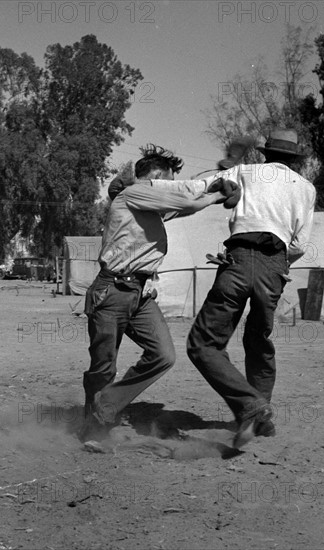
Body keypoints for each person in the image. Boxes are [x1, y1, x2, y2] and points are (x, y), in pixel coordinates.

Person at [80, 144, 239, 441]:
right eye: (167, 180)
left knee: (163, 355)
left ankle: (106, 406)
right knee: (103, 368)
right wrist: (216, 192)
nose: (169, 186)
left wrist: (215, 187)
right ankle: (92, 426)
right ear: (155, 176)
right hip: (112, 290)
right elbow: (187, 200)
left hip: (139, 294)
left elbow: (181, 207)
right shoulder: (135, 193)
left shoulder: (147, 205)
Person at [186, 128, 317, 449]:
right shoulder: (306, 188)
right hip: (276, 264)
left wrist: (226, 163)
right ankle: (261, 418)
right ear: (295, 159)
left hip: (239, 257)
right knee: (258, 339)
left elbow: (200, 185)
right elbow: (299, 244)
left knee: (204, 343)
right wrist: (276, 265)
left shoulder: (245, 171)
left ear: (266, 153)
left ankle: (251, 406)